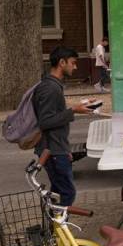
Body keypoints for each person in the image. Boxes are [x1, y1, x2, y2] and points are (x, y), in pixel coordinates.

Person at [33, 46, 93, 206]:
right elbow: (45, 122)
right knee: (67, 193)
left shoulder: (51, 85)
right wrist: (73, 110)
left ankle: (54, 227)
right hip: (52, 151)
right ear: (61, 62)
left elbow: (53, 115)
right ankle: (58, 228)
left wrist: (76, 108)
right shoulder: (50, 88)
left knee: (58, 192)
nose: (75, 67)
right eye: (73, 63)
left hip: (56, 149)